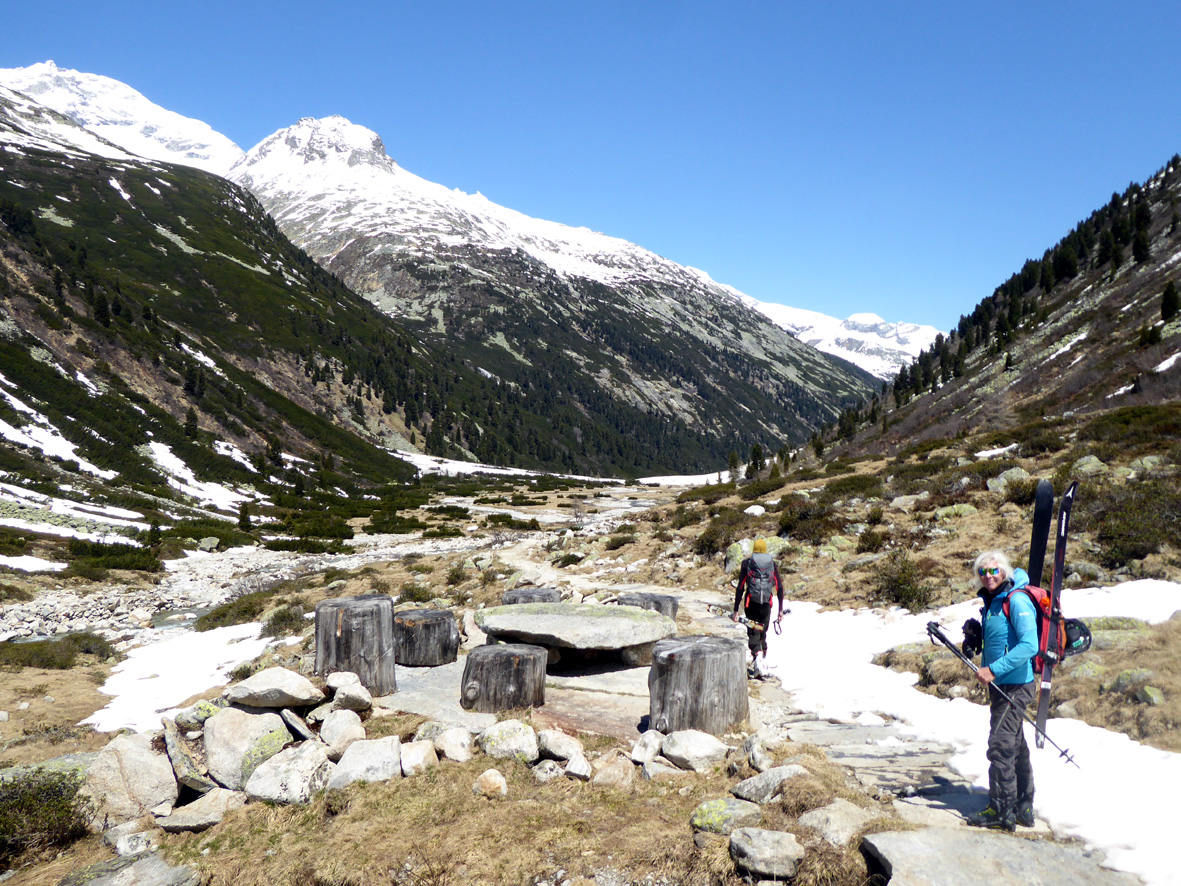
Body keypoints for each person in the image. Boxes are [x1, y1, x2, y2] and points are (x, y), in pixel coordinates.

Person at [961, 550, 1037, 831]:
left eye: (993, 570)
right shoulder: (993, 602)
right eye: (982, 572)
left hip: (1016, 684)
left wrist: (993, 669)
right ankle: (1023, 805)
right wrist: (975, 639)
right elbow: (1001, 638)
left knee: (1000, 745)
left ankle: (1001, 810)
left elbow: (1030, 645)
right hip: (1001, 685)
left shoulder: (1016, 600)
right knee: (1014, 743)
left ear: (1004, 571)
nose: (988, 576)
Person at [731, 538, 785, 677]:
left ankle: (758, 658)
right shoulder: (772, 564)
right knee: (762, 633)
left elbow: (740, 587)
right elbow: (779, 587)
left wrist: (736, 610)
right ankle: (761, 663)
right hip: (766, 604)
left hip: (751, 604)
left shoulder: (747, 563)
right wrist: (780, 610)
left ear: (754, 549)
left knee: (753, 632)